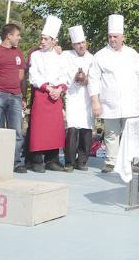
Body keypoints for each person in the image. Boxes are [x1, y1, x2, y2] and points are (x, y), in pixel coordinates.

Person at [88, 14, 139, 173]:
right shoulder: (100, 55)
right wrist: (95, 102)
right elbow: (93, 80)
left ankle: (131, 160)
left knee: (132, 134)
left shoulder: (132, 54)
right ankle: (111, 161)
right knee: (111, 134)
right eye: (110, 36)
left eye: (115, 36)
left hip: (131, 101)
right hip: (109, 102)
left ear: (123, 37)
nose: (112, 39)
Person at [0, 23, 27, 173]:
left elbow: (21, 75)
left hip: (15, 95)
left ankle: (15, 163)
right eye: (17, 35)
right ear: (9, 36)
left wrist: (23, 96)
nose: (19, 38)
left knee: (16, 132)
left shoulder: (19, 53)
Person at [28, 16, 68, 172]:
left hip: (56, 95)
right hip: (42, 94)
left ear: (54, 41)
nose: (42, 41)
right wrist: (48, 88)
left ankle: (52, 160)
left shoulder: (60, 57)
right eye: (42, 38)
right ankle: (36, 160)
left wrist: (59, 89)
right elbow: (34, 75)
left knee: (54, 129)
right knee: (38, 128)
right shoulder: (36, 55)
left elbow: (64, 75)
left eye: (46, 39)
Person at [61, 25, 94, 172]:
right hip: (72, 96)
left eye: (83, 43)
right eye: (78, 43)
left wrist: (87, 80)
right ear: (73, 45)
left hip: (87, 97)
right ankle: (69, 162)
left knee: (86, 130)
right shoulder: (65, 56)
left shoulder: (93, 58)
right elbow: (62, 74)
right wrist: (74, 78)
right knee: (72, 129)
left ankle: (82, 161)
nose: (81, 46)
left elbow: (97, 78)